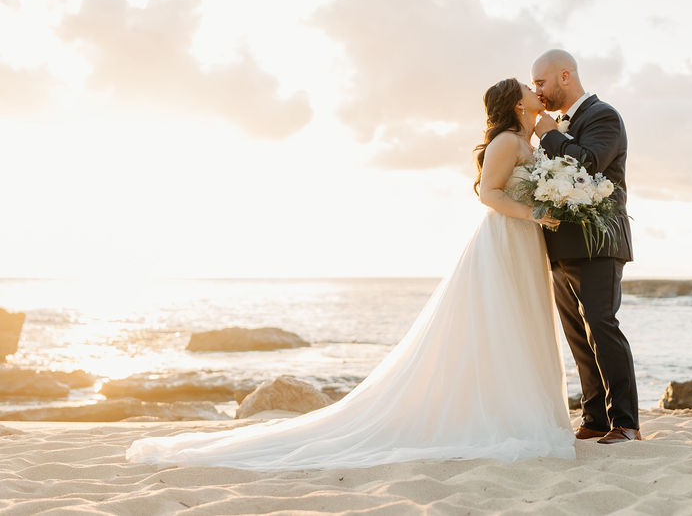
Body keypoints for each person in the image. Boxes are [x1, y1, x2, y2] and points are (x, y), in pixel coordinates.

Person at [125, 78, 575, 470]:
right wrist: (534, 212)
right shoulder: (505, 144)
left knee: (522, 325)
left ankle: (521, 410)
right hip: (503, 241)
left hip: (523, 242)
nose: (534, 91)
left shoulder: (528, 141)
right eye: (526, 87)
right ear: (516, 103)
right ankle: (503, 417)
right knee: (500, 326)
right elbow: (488, 194)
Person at [531, 49, 640, 444]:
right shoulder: (556, 126)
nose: (536, 90)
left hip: (598, 243)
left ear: (565, 76)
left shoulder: (603, 116)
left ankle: (626, 422)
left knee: (602, 326)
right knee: (577, 333)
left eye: (540, 82)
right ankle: (594, 416)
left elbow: (589, 162)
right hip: (562, 245)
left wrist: (550, 135)